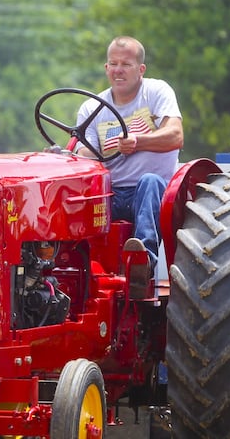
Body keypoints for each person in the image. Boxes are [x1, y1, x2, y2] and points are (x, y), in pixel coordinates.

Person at [76, 36, 184, 295]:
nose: (118, 70)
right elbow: (84, 153)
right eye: (113, 63)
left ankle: (141, 263)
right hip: (110, 193)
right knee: (78, 194)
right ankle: (78, 271)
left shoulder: (157, 92)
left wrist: (138, 141)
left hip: (150, 193)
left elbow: (175, 135)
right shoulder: (92, 107)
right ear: (106, 68)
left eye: (126, 64)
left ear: (140, 69)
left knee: (149, 181)